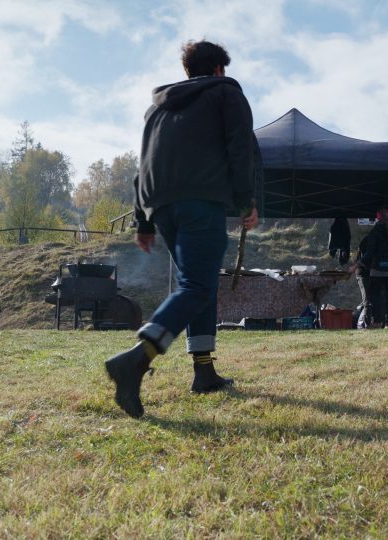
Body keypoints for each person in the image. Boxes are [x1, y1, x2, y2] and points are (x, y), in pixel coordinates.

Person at [104, 40, 259, 418]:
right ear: (219, 69)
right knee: (198, 287)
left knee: (196, 285)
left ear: (188, 70)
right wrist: (246, 201)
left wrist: (143, 220)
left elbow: (142, 166)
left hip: (161, 206)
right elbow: (241, 148)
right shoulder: (226, 94)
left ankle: (204, 373)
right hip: (200, 202)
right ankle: (136, 359)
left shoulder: (157, 109)